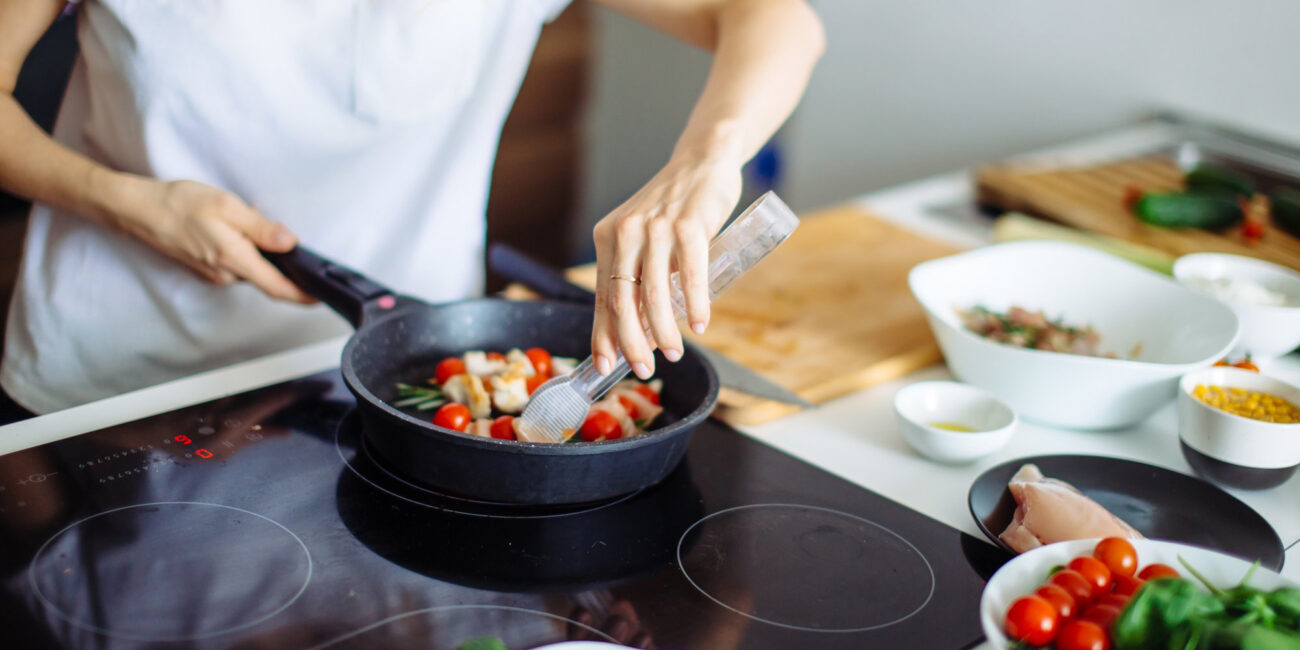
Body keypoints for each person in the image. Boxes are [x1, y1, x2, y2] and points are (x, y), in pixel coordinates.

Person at [0, 0, 824, 420]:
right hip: (112, 390)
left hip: (411, 389)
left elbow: (773, 17)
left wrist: (705, 161)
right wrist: (130, 202)